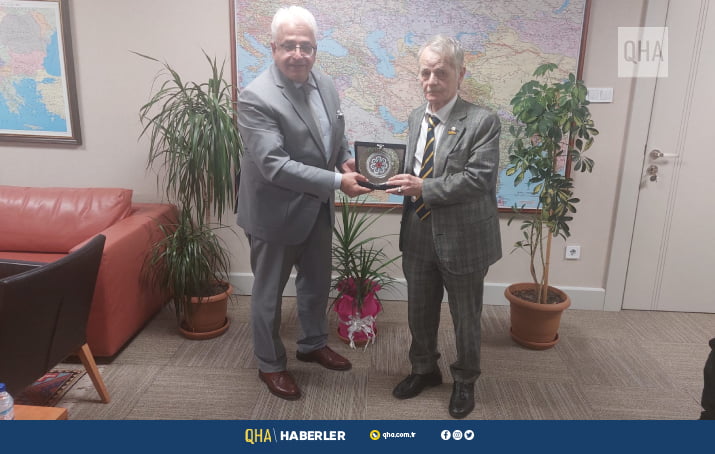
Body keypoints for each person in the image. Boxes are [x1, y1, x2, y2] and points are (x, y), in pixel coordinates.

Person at [236, 6, 371, 401]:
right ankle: (270, 364)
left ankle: (312, 344)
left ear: (315, 49)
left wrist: (344, 159)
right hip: (274, 213)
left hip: (316, 209)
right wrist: (338, 182)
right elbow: (274, 166)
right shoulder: (256, 97)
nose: (298, 54)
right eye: (289, 46)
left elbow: (332, 134)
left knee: (316, 283)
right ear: (273, 47)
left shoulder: (325, 83)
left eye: (306, 47)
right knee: (268, 295)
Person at [385, 35, 502, 419]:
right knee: (419, 311)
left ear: (460, 74)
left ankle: (465, 379)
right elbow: (415, 168)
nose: (431, 81)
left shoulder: (482, 121)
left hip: (463, 237)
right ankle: (424, 369)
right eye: (425, 72)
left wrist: (423, 187)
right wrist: (384, 175)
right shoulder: (415, 117)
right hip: (418, 230)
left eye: (441, 72)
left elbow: (478, 179)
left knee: (465, 317)